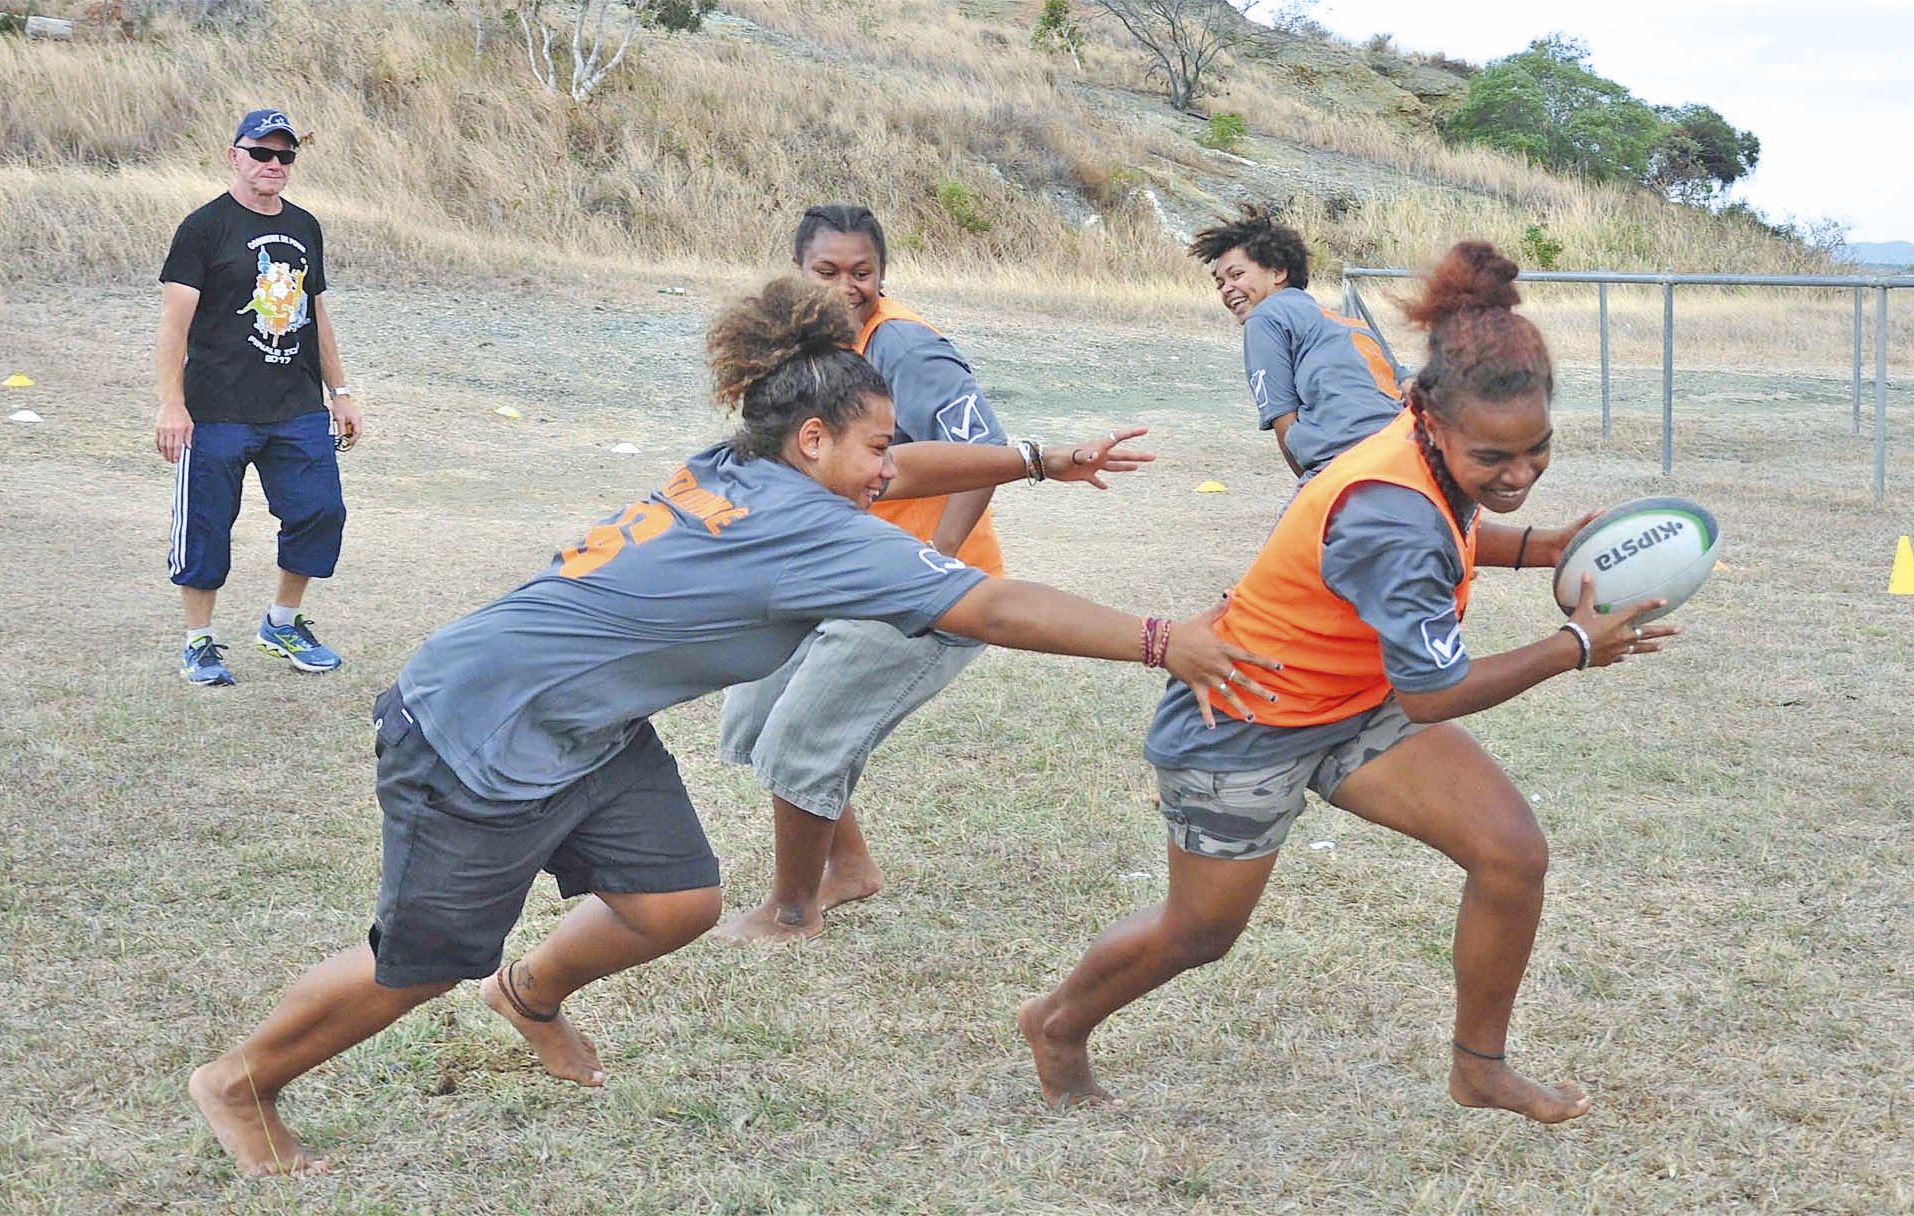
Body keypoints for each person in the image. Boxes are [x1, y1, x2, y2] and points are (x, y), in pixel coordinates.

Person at [188, 276, 1278, 1177]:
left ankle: (526, 992)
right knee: (413, 964)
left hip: (583, 725)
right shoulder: (813, 529)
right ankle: (241, 1082)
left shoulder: (746, 461)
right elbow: (987, 605)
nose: (889, 472)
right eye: (874, 450)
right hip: (476, 726)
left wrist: (1033, 460)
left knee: (673, 901)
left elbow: (911, 466)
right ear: (814, 437)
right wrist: (1156, 637)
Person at [1019, 242, 1681, 1124]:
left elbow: (1448, 526)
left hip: (1348, 702)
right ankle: (1056, 1024)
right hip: (1244, 714)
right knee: (1200, 932)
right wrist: (1573, 645)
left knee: (1509, 854)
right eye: (1496, 458)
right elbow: (1432, 693)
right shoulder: (1392, 509)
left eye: (1538, 448)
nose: (1518, 474)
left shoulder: (1421, 449)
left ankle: (1477, 1068)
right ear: (1430, 420)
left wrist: (1542, 544)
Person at [713, 204, 1015, 943]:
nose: (847, 286)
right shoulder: (803, 348)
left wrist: (937, 563)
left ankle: (792, 911)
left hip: (918, 592)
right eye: (827, 272)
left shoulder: (907, 347)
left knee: (799, 743)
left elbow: (990, 450)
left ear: (882, 275)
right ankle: (848, 868)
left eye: (862, 272)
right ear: (798, 273)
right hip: (835, 578)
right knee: (753, 725)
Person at [156, 108, 361, 686]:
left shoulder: (304, 226)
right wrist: (172, 404)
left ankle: (282, 621)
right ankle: (198, 641)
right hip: (215, 410)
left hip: (295, 406)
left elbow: (315, 312)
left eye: (285, 155)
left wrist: (339, 392)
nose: (274, 164)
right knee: (206, 526)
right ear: (235, 156)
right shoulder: (203, 228)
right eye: (262, 153)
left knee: (320, 512)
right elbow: (173, 327)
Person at [1188, 204, 1404, 480]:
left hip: (1349, 468)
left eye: (1236, 275)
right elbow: (1405, 383)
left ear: (1278, 272)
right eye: (1219, 283)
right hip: (1405, 455)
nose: (1227, 288)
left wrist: (1315, 492)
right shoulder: (1348, 325)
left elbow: (1285, 424)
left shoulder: (1264, 318)